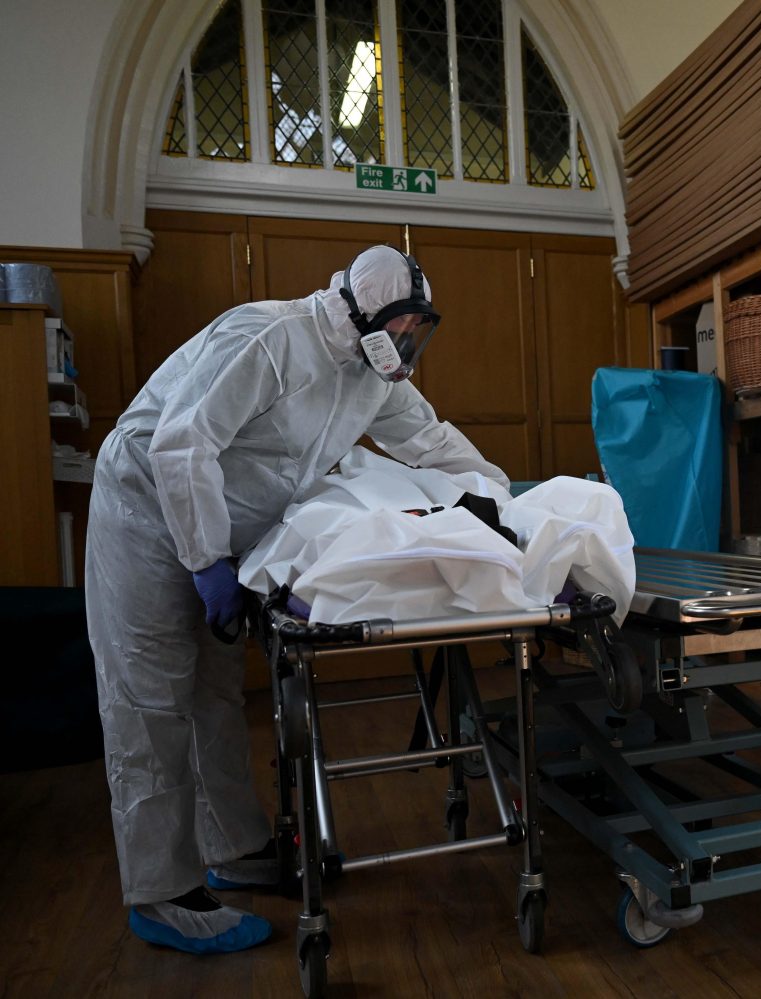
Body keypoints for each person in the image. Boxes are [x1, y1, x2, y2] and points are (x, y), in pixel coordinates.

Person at [86, 245, 510, 954]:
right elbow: (180, 445)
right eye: (401, 328)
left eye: (417, 331)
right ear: (361, 312)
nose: (408, 346)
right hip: (146, 511)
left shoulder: (374, 375)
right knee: (149, 696)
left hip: (222, 531)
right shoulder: (269, 338)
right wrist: (205, 561)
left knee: (215, 692)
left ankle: (238, 849)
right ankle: (160, 892)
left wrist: (506, 494)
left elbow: (431, 441)